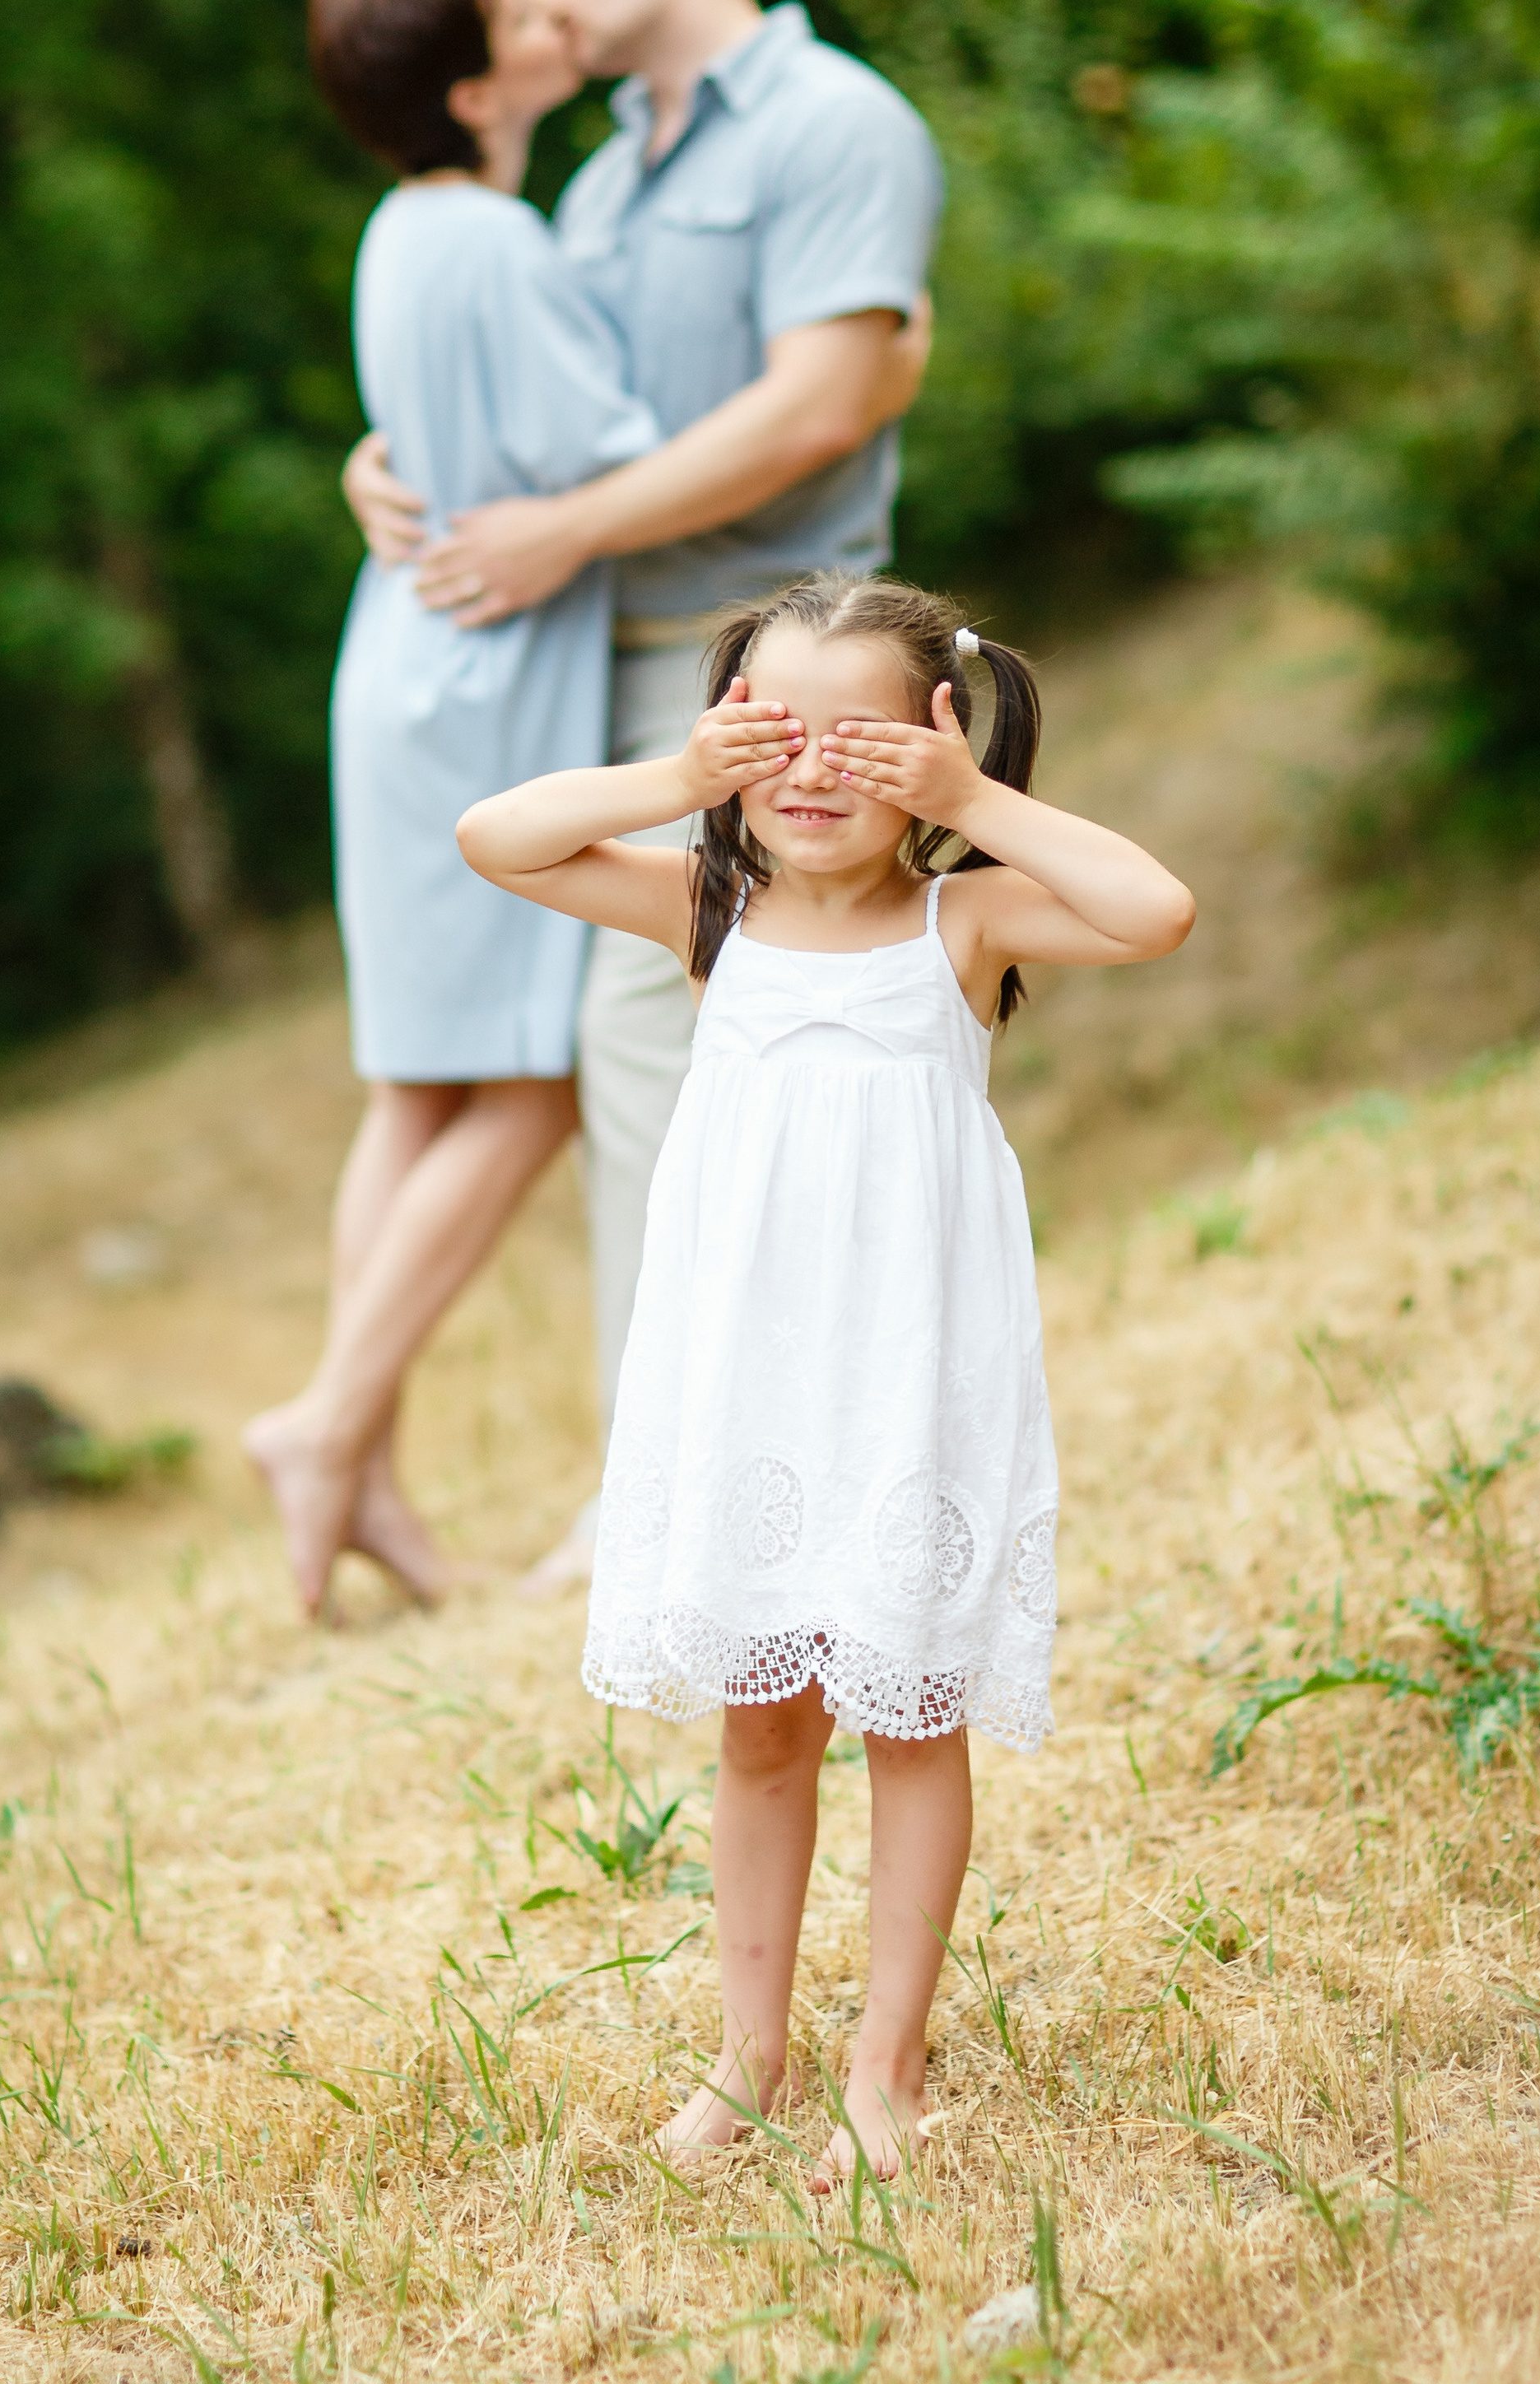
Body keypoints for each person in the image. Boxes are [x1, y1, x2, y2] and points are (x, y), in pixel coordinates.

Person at [456, 573, 1196, 2181]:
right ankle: (746, 2058)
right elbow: (493, 839)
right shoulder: (703, 909)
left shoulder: (966, 921)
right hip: (744, 1380)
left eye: (859, 744)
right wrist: (678, 780)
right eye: (774, 734)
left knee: (909, 1718)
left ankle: (885, 2068)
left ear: (933, 742)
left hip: (904, 1377)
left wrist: (978, 802)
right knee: (760, 1728)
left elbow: (1155, 914)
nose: (810, 774)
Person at [344, 0, 944, 1589]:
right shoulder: (595, 184)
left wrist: (560, 530)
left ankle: (738, 1478)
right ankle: (669, 1479)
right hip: (624, 682)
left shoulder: (837, 125)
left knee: (813, 1068)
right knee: (651, 1085)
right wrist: (382, 469)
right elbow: (535, 404)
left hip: (792, 675)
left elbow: (815, 407)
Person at [242, 0, 663, 1616]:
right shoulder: (491, 238)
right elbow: (612, 453)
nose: (546, 9)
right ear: (480, 79)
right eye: (515, 0)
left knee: (417, 1087)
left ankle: (364, 1488)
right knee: (533, 1081)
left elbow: (427, 433)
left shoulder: (408, 229)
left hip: (406, 668)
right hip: (485, 686)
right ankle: (331, 1425)